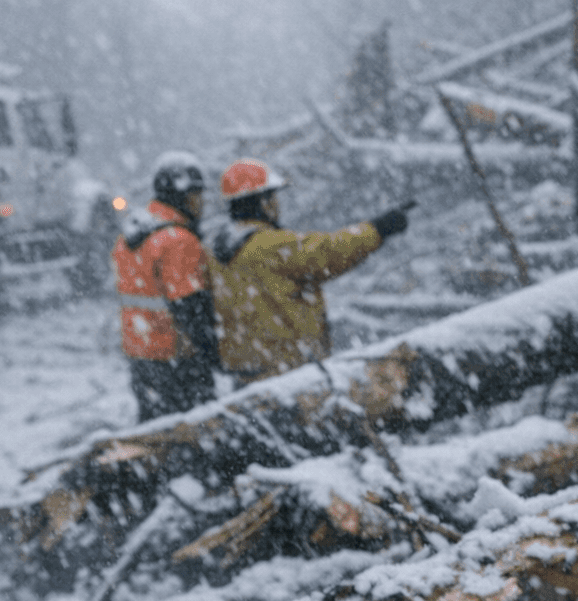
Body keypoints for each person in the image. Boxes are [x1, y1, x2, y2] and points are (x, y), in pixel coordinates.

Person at [210, 158, 410, 383]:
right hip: (291, 373)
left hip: (249, 375)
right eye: (273, 197)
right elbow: (330, 252)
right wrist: (378, 228)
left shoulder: (216, 254)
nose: (277, 204)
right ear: (263, 202)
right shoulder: (268, 245)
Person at [111, 151, 220, 420]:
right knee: (197, 434)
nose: (202, 202)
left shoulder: (129, 239)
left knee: (155, 432)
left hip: (140, 354)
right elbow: (190, 307)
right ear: (180, 195)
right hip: (178, 360)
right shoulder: (179, 241)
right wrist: (214, 355)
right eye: (196, 194)